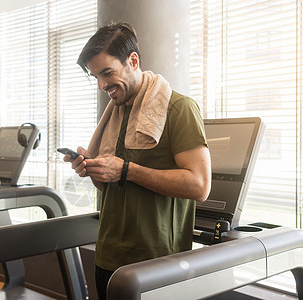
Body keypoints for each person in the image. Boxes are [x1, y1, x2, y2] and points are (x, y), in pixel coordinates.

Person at [65, 22, 211, 300]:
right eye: (95, 76)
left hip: (158, 264)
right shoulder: (115, 112)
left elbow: (199, 185)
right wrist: (93, 168)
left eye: (107, 73)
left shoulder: (179, 109)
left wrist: (125, 170)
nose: (101, 85)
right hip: (107, 258)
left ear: (133, 61)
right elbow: (111, 188)